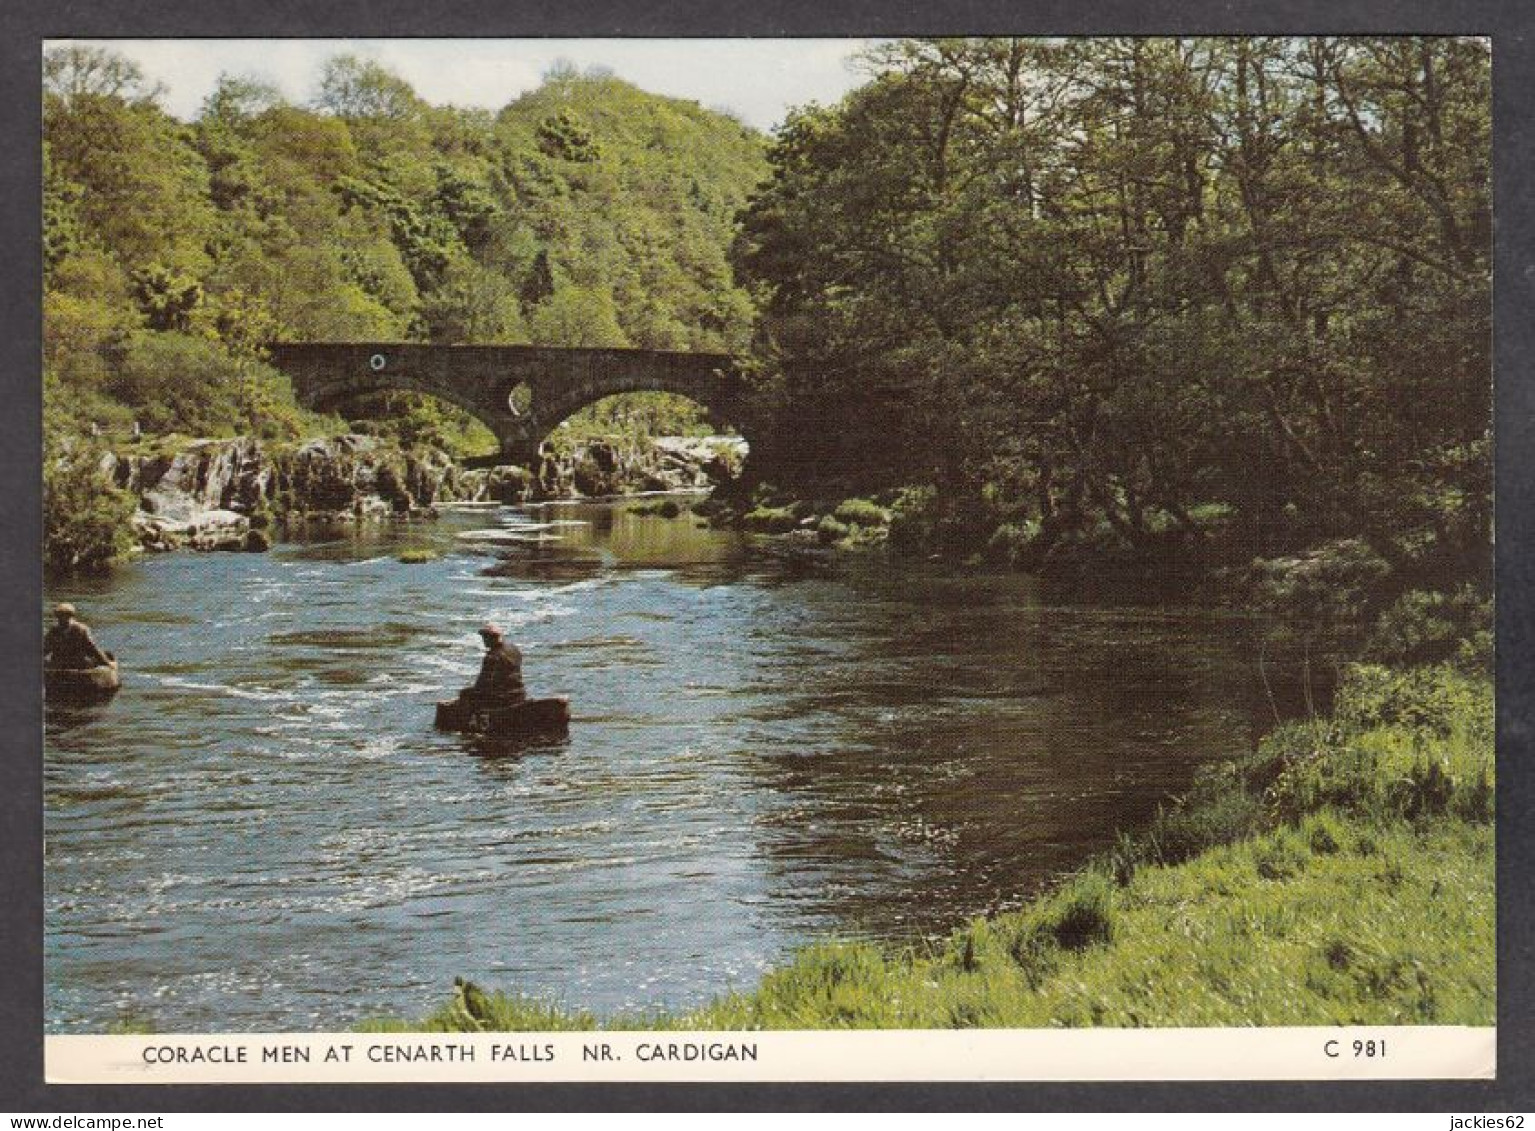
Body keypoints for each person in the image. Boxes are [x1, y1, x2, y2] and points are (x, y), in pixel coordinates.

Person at [458, 623, 525, 707]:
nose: (483, 640)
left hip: (503, 697)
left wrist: (471, 692)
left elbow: (483, 683)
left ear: (491, 638)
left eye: (485, 637)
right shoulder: (513, 649)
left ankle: (479, 718)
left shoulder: (492, 656)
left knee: (465, 694)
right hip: (519, 693)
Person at [44, 603, 111, 670]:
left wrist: (105, 662)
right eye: (59, 617)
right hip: (66, 665)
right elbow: (45, 649)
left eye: (63, 616)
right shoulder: (54, 631)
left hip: (75, 664)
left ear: (70, 616)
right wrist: (107, 664)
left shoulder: (80, 630)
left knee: (103, 657)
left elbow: (92, 648)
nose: (60, 619)